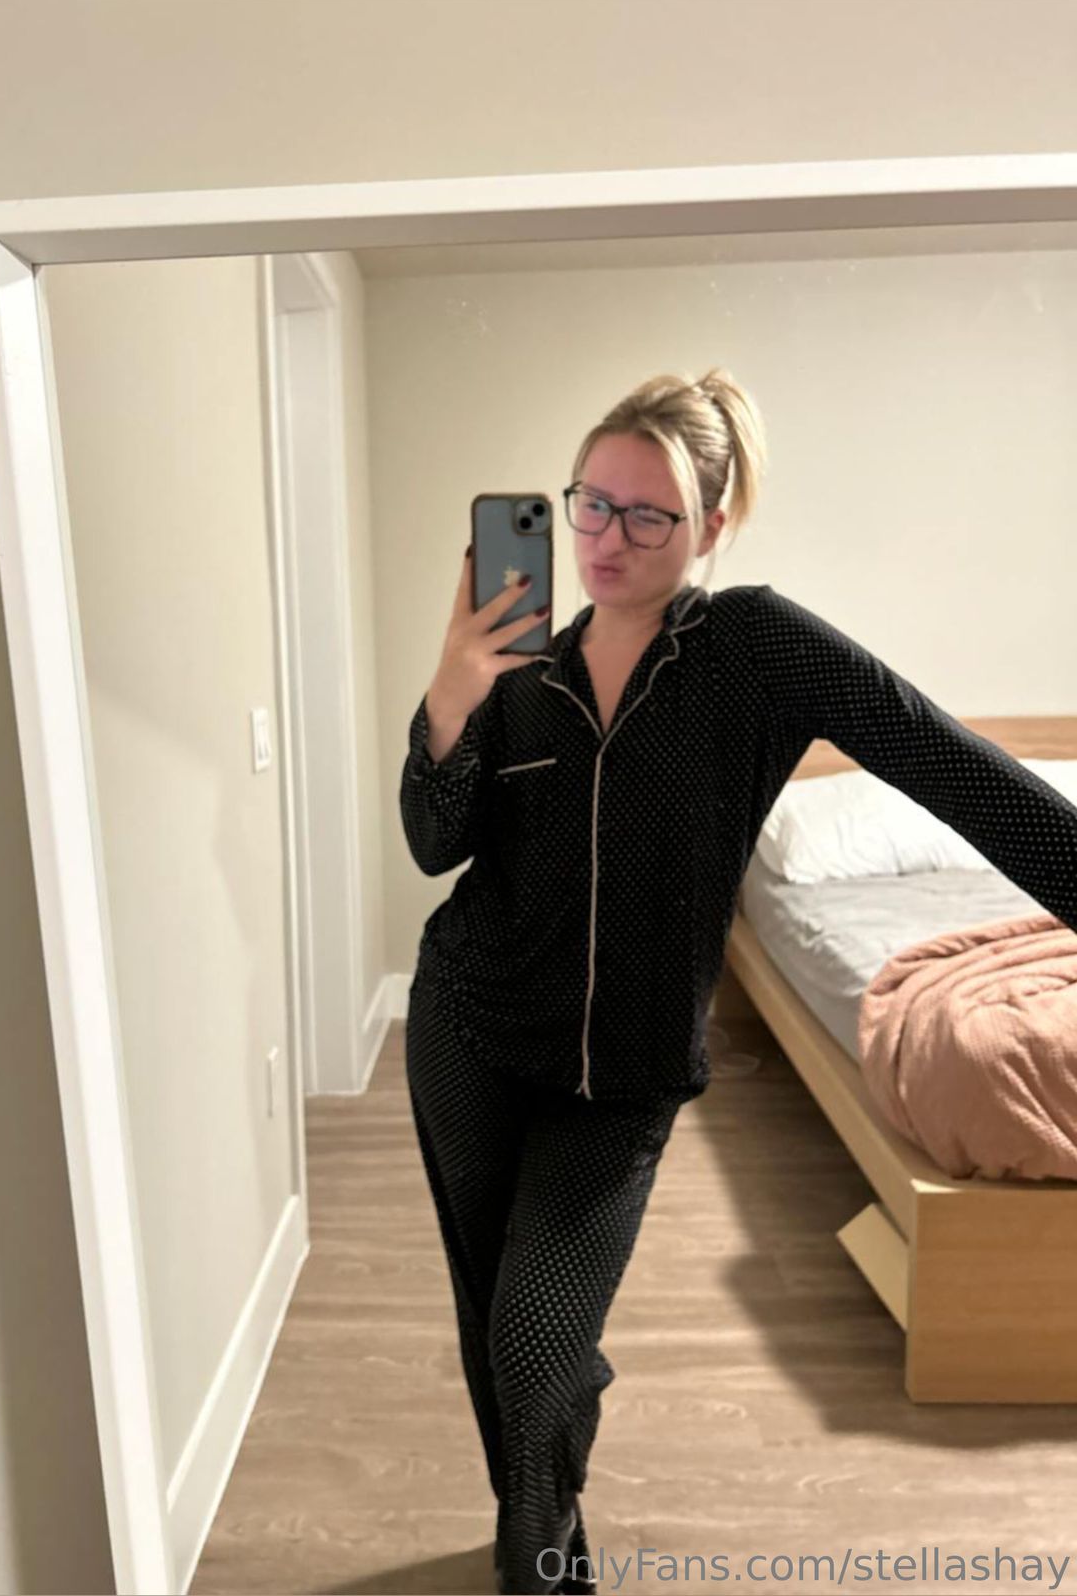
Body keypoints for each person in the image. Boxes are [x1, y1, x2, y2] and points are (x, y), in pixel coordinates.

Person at [398, 372, 1077, 1595]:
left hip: (620, 1080)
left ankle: (539, 1526)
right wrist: (452, 689)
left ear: (712, 524)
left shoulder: (756, 651)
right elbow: (433, 841)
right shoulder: (519, 664)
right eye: (591, 503)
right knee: (494, 1327)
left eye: (648, 514)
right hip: (470, 1031)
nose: (608, 537)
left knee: (538, 1348)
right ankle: (543, 1547)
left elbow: (953, 767)